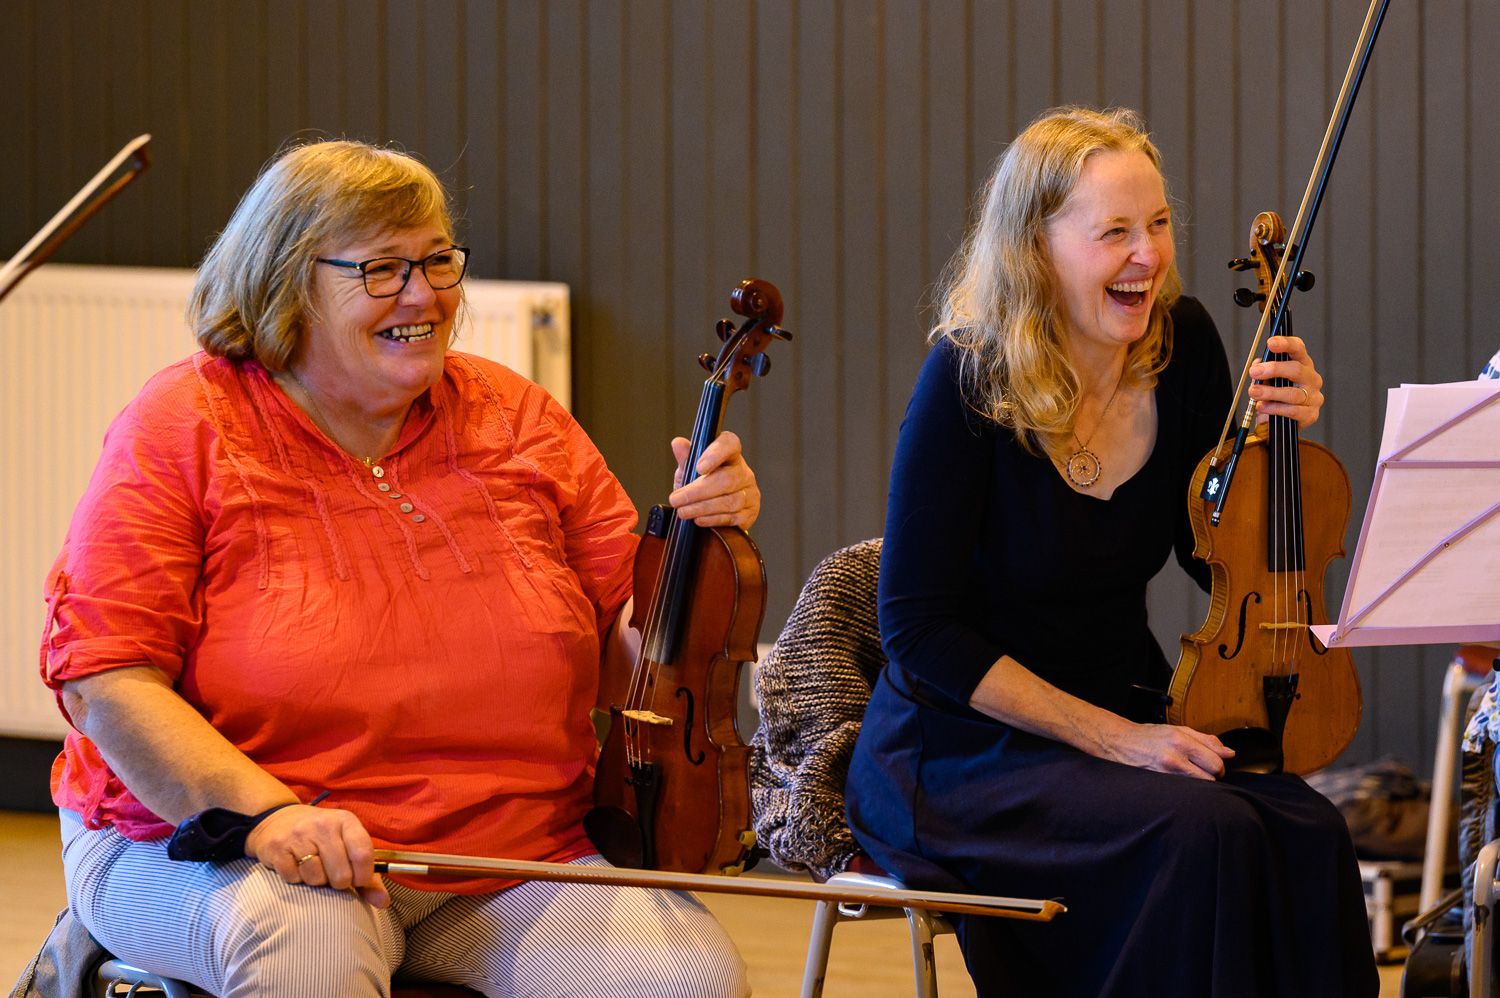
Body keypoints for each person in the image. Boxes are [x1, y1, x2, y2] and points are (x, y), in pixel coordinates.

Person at [41, 140, 756, 998]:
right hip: (217, 838)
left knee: (686, 980)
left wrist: (696, 554)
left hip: (506, 851)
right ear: (285, 283)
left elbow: (627, 659)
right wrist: (266, 815)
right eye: (381, 269)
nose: (423, 295)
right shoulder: (181, 423)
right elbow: (106, 679)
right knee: (311, 950)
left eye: (437, 261)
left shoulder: (518, 416)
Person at [844, 107, 1380, 997]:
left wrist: (1271, 448)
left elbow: (1210, 556)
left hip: (1126, 712)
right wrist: (1119, 741)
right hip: (960, 751)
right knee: (1205, 833)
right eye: (1115, 233)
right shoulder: (967, 378)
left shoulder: (1185, 346)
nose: (1148, 256)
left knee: (1310, 831)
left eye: (1159, 224)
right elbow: (917, 631)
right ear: (1036, 248)